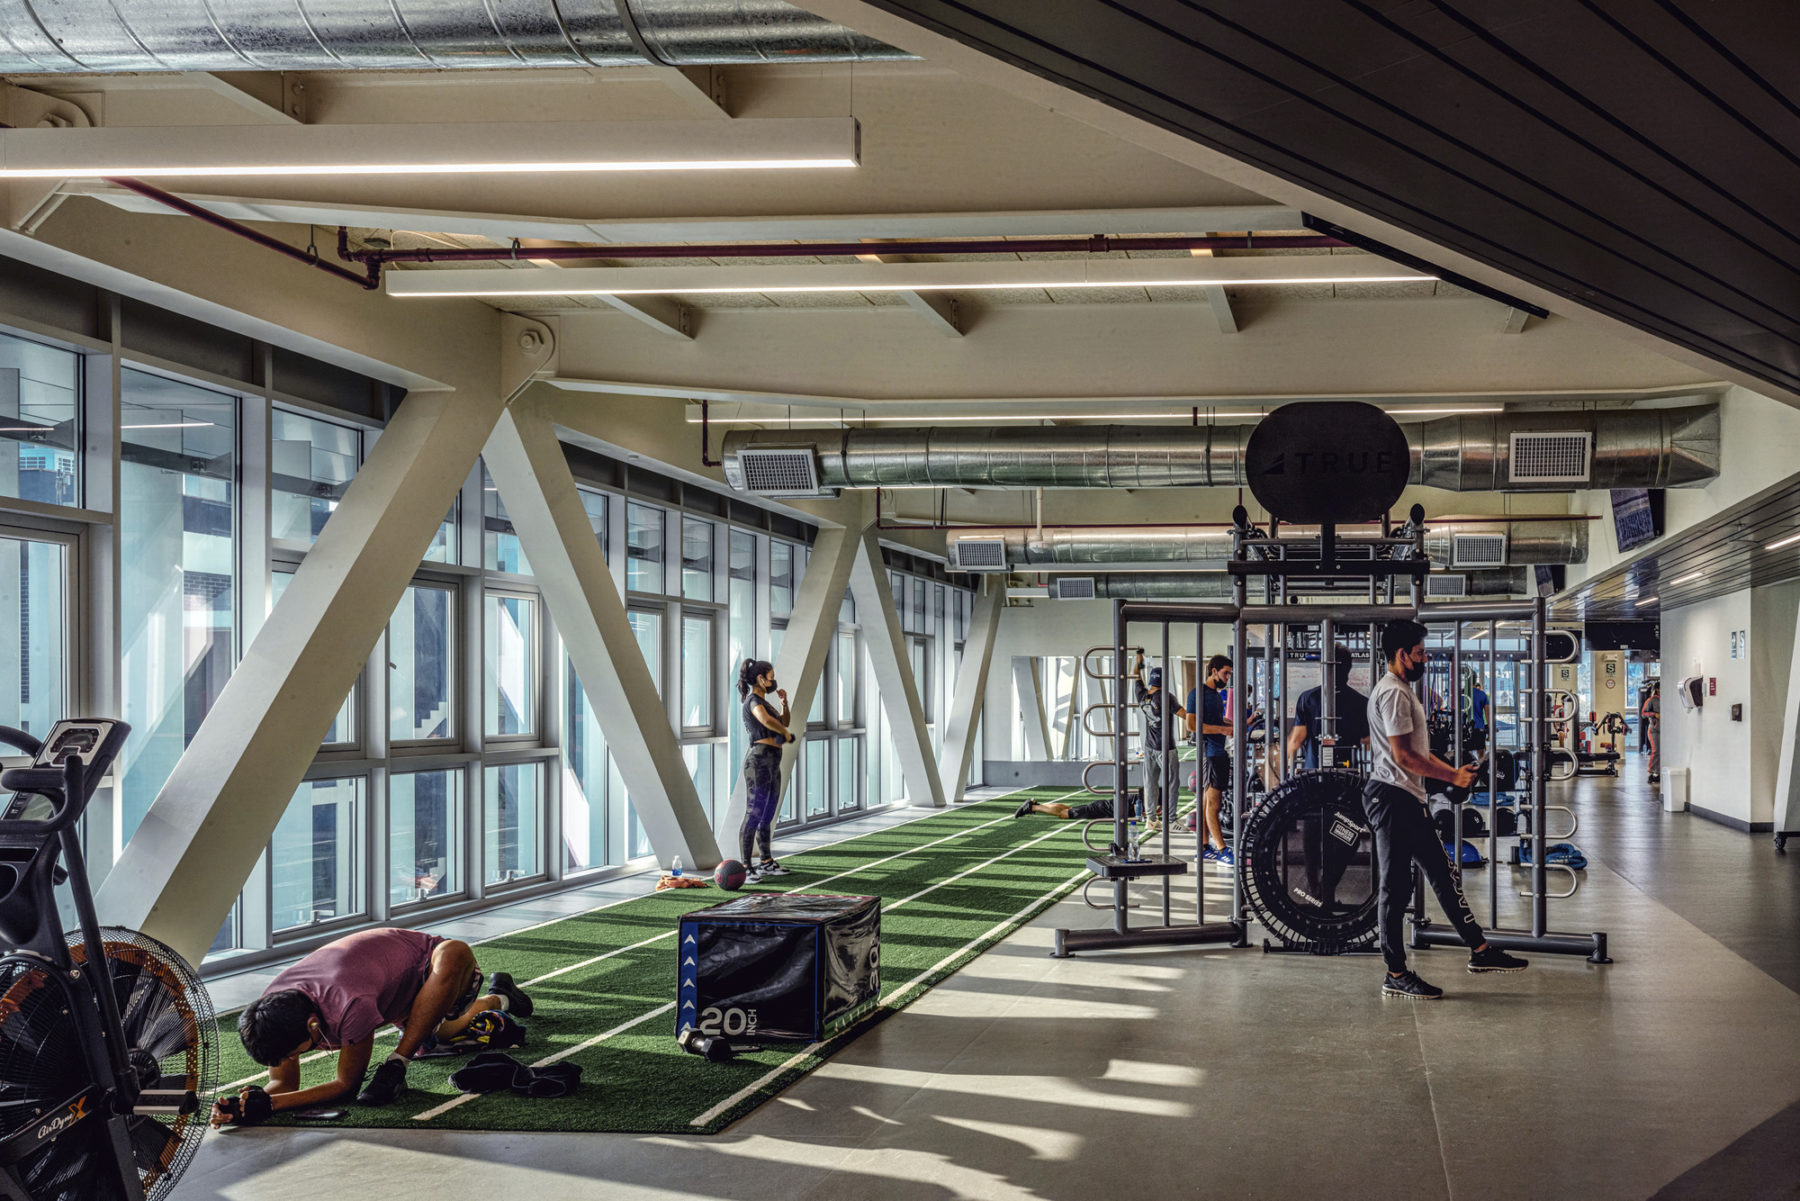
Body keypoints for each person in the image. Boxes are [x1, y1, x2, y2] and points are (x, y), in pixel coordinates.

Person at [214, 928, 533, 1123]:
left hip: (430, 969)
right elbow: (282, 1086)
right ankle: (499, 998)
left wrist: (270, 1105)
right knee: (441, 1034)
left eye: (289, 1056)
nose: (287, 1062)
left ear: (314, 1026)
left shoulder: (348, 1006)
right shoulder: (275, 1011)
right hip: (390, 997)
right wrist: (243, 1104)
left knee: (453, 953)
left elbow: (346, 1085)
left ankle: (398, 1062)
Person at [1365, 619, 1529, 999]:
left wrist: (1447, 772)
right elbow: (1403, 756)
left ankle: (1481, 951)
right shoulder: (1393, 694)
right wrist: (1452, 776)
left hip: (1407, 797)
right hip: (1391, 799)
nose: (1425, 658)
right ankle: (1395, 972)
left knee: (1443, 873)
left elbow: (1416, 753)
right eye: (1420, 652)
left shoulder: (1403, 690)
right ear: (1402, 654)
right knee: (1395, 887)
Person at [738, 658, 795, 884]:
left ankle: (766, 862)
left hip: (773, 761)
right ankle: (745, 867)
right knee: (754, 812)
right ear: (761, 679)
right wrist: (785, 733)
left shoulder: (767, 702)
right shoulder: (753, 702)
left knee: (768, 813)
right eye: (771, 678)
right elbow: (766, 721)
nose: (773, 681)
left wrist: (784, 703)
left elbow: (783, 720)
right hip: (758, 762)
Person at [1286, 646, 1369, 772]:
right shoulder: (1361, 702)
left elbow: (1297, 739)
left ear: (1322, 668)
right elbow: (1366, 738)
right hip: (1348, 774)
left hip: (1313, 772)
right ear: (1348, 668)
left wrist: (1283, 763)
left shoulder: (1308, 699)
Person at [1131, 650, 1188, 830]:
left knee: (1150, 783)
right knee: (1172, 784)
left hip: (1148, 747)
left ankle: (1151, 819)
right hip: (1166, 748)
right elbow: (1184, 714)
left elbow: (1135, 677)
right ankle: (1171, 820)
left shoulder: (1142, 695)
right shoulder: (1166, 697)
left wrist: (1137, 661)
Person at [1190, 655, 1237, 871]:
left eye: (1229, 674)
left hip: (1218, 753)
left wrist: (1227, 722)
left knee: (1206, 802)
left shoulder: (1216, 696)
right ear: (1213, 670)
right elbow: (1192, 725)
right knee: (1213, 804)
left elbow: (1212, 721)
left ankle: (1203, 847)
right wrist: (1222, 729)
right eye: (1225, 673)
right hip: (1210, 754)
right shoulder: (1197, 693)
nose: (1227, 677)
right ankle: (1221, 850)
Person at [1641, 681, 1660, 785]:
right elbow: (1643, 713)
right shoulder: (1652, 700)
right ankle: (1651, 772)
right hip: (1654, 730)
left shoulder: (1667, 698)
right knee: (1656, 750)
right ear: (1657, 689)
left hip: (1666, 730)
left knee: (1663, 752)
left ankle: (1658, 773)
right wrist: (1654, 714)